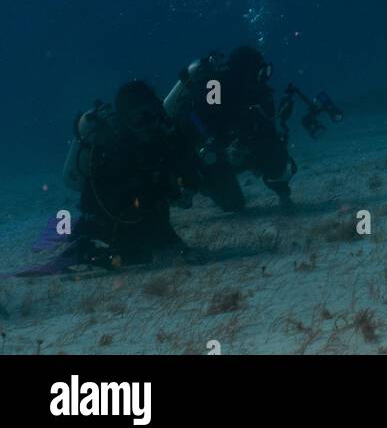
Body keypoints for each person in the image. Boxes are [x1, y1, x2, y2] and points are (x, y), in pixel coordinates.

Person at [64, 80, 197, 267]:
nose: (147, 123)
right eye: (138, 117)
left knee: (157, 247)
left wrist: (182, 188)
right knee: (139, 255)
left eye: (151, 113)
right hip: (109, 218)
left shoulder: (161, 137)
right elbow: (104, 199)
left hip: (141, 212)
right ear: (125, 119)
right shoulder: (116, 149)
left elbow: (181, 166)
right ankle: (83, 251)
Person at [164, 47, 295, 213]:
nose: (264, 77)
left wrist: (283, 193)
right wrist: (219, 146)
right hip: (207, 155)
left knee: (272, 151)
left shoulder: (259, 95)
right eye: (260, 71)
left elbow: (270, 140)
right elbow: (195, 120)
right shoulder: (216, 86)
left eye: (265, 72)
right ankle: (190, 183)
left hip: (232, 150)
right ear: (246, 70)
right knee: (233, 204)